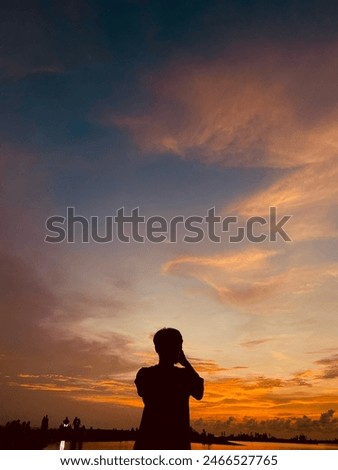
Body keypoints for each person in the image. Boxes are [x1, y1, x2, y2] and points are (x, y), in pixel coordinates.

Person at [134, 328, 204, 450]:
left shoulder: (145, 374)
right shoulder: (184, 376)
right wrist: (186, 363)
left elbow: (198, 392)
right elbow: (199, 392)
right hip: (176, 443)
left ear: (156, 348)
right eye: (178, 346)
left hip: (149, 442)